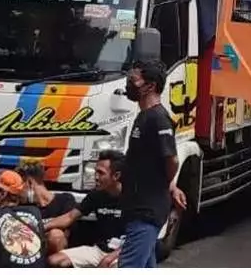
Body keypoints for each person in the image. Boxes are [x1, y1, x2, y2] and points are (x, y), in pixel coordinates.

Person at [118, 59, 186, 268]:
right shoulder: (144, 116)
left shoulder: (158, 119)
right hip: (138, 206)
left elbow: (171, 159)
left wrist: (166, 183)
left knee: (129, 266)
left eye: (135, 79)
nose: (130, 83)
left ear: (150, 86)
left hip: (147, 210)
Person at [49, 150, 127, 267]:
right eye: (95, 171)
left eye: (101, 173)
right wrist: (40, 226)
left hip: (124, 251)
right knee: (54, 261)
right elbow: (70, 217)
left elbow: (141, 239)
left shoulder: (134, 199)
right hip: (99, 250)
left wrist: (110, 258)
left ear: (116, 176)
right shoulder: (96, 195)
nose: (95, 177)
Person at [17, 162, 78, 254]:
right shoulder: (22, 207)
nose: (16, 191)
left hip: (57, 254)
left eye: (18, 186)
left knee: (56, 235)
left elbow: (66, 233)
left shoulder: (65, 200)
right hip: (29, 251)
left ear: (29, 183)